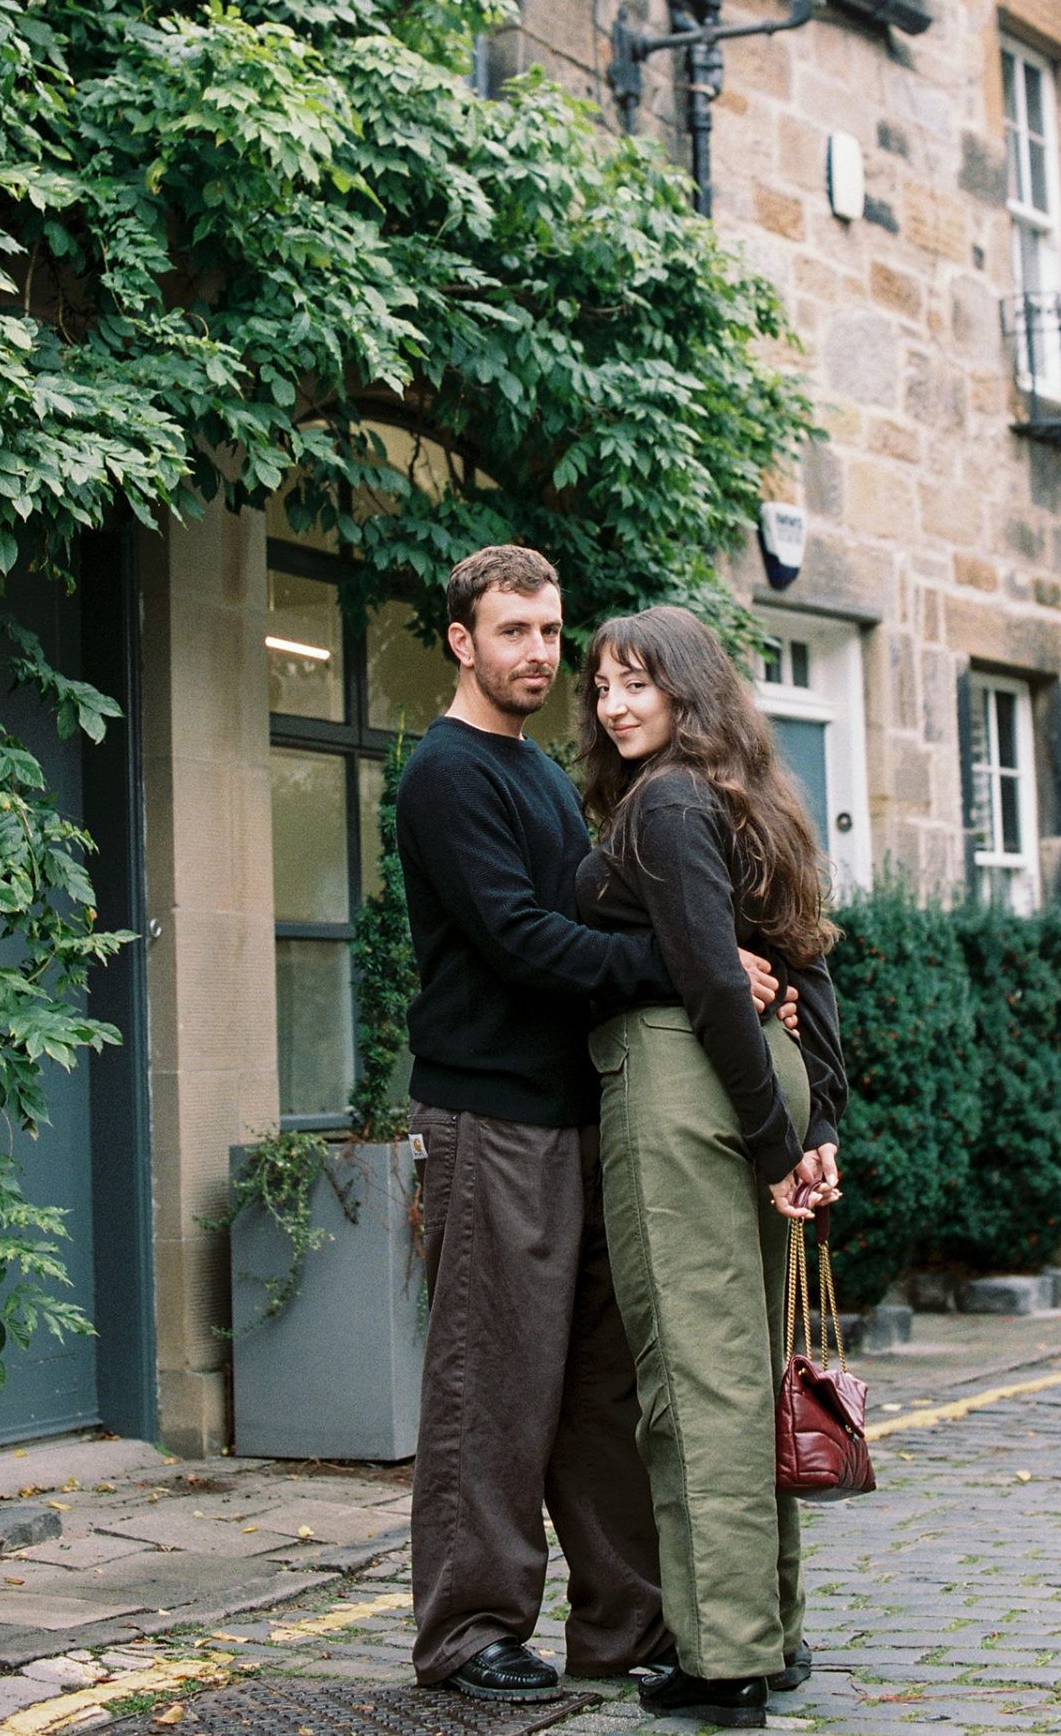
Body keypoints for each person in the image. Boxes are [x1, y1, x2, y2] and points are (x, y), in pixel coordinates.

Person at [395, 547, 790, 1700]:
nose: (537, 652)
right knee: (493, 1380)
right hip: (488, 1116)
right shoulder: (447, 774)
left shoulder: (542, 775)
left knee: (603, 1390)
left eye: (548, 630)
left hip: (582, 1114)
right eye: (511, 630)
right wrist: (690, 969)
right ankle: (468, 1633)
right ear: (462, 640)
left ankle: (626, 1629)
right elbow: (521, 941)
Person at [576, 604, 847, 1731]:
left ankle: (723, 1660)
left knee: (701, 1379)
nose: (616, 703)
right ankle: (769, 1631)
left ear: (689, 687)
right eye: (600, 686)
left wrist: (785, 1147)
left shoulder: (669, 803)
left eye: (639, 681)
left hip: (689, 1088)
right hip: (759, 1080)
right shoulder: (755, 800)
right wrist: (817, 1120)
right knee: (757, 1365)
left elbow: (704, 980)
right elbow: (807, 973)